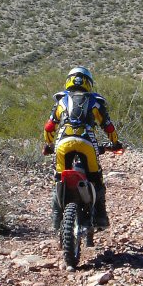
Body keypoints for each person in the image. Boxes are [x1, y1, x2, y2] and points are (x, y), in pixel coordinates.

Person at [42, 66, 122, 230]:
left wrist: (49, 145)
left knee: (59, 178)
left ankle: (56, 218)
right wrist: (115, 143)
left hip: (63, 143)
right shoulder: (95, 101)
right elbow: (108, 126)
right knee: (96, 178)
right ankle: (100, 216)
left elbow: (49, 126)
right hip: (87, 143)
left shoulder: (61, 100)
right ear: (88, 82)